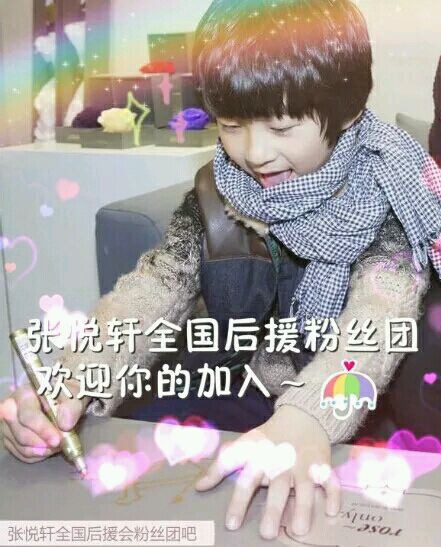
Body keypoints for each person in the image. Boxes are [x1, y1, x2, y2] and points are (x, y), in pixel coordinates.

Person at [2, 0, 441, 541]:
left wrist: (307, 418)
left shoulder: (388, 194)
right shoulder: (217, 193)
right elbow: (151, 290)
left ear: (347, 109)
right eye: (231, 125)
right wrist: (73, 382)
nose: (254, 153)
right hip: (243, 390)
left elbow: (379, 318)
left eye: (282, 126)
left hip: (354, 410)